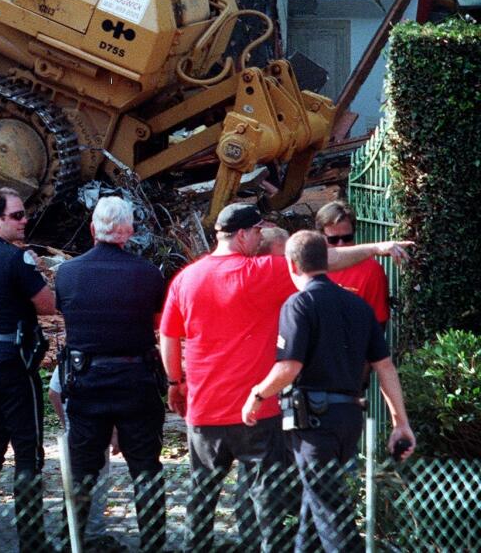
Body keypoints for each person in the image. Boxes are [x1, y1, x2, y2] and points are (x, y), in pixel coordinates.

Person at [160, 202, 411, 552]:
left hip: (204, 408)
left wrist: (175, 383)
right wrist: (377, 248)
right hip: (258, 413)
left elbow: (169, 335)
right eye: (258, 230)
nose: (262, 236)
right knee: (267, 502)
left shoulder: (185, 278)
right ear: (244, 234)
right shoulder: (262, 272)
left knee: (201, 497)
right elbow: (324, 262)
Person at [242, 230, 416, 551]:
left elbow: (288, 368)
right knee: (316, 503)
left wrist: (257, 395)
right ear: (327, 262)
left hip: (313, 426)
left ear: (292, 265)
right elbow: (385, 367)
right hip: (348, 421)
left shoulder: (298, 304)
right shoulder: (358, 306)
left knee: (331, 512)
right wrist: (400, 423)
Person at [55, 195, 167, 552]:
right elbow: (157, 322)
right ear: (129, 231)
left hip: (86, 383)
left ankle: (70, 539)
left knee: (82, 470)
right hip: (137, 383)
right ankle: (153, 543)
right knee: (146, 468)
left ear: (92, 229)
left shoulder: (67, 273)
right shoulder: (149, 275)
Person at [0, 187, 56, 553]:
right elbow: (47, 305)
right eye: (17, 215)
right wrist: (39, 270)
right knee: (28, 451)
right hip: (13, 362)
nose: (24, 220)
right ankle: (32, 542)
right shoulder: (16, 260)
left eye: (23, 214)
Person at [47, 365, 116, 546]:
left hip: (76, 428)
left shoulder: (72, 353)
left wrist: (66, 423)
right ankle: (92, 534)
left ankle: (71, 535)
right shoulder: (107, 353)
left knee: (76, 481)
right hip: (97, 427)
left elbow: (54, 392)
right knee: (95, 480)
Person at [317, 201, 390, 325]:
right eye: (333, 240)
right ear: (320, 236)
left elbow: (378, 322)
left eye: (347, 238)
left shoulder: (371, 270)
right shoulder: (309, 266)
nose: (341, 245)